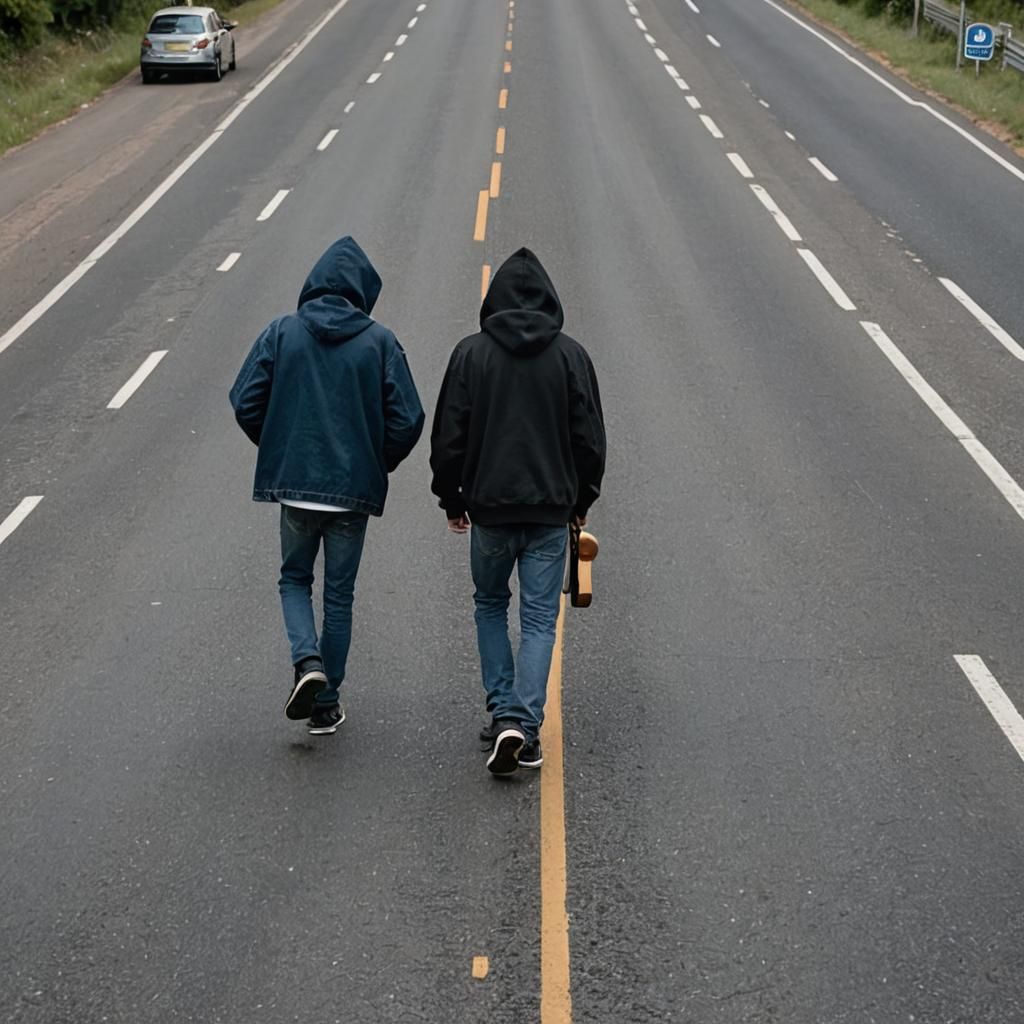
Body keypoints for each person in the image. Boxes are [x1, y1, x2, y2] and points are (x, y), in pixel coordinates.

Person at [230, 236, 424, 735]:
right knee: (339, 595)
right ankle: (326, 701)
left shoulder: (282, 332)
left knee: (295, 579)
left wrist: (280, 446)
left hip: (294, 489)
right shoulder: (380, 342)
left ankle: (306, 662)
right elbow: (409, 418)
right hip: (352, 494)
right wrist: (374, 461)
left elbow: (245, 400)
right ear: (363, 291)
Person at [430, 247, 605, 775]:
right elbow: (590, 441)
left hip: (488, 511)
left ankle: (503, 711)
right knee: (537, 619)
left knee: (489, 604)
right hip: (551, 510)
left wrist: (451, 498)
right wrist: (581, 502)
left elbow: (448, 437)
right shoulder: (571, 356)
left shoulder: (470, 354)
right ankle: (525, 728)